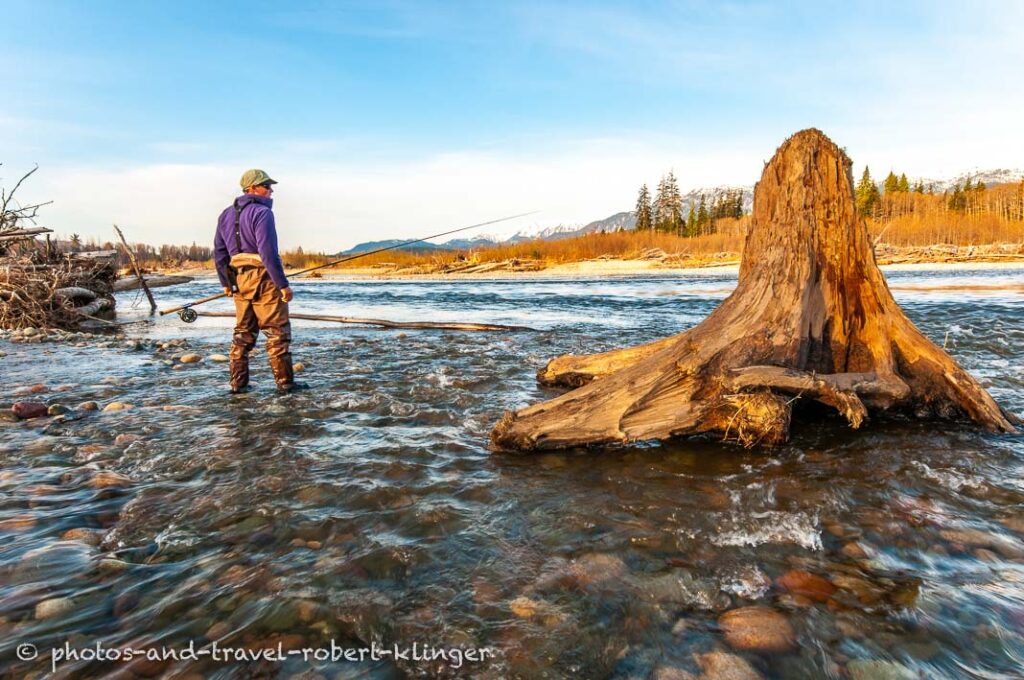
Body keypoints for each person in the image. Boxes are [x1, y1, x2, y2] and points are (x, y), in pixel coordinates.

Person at [213, 169, 301, 394]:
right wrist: (282, 285)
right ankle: (285, 385)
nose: (271, 190)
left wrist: (226, 283)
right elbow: (268, 252)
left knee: (243, 334)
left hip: (240, 281)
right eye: (266, 186)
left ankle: (238, 385)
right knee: (277, 333)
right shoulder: (262, 213)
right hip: (264, 279)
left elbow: (220, 253)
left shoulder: (224, 215)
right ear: (252, 188)